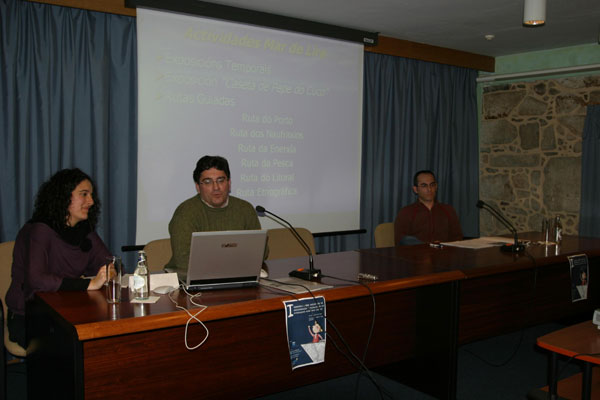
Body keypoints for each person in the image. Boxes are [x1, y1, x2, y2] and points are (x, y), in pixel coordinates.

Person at [5, 168, 110, 348]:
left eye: (91, 195)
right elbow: (37, 279)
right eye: (84, 194)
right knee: (72, 349)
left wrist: (109, 271)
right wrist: (88, 284)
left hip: (68, 311)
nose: (91, 201)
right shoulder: (40, 230)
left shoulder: (85, 231)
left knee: (104, 338)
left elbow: (107, 262)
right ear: (63, 197)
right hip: (29, 315)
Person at [165, 155, 262, 274]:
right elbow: (183, 261)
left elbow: (261, 252)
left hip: (238, 276)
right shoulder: (185, 213)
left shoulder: (245, 209)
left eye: (221, 180)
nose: (216, 187)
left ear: (229, 183)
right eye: (208, 182)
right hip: (191, 282)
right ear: (198, 187)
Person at [394, 170, 463, 245]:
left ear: (436, 186)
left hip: (444, 253)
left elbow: (457, 238)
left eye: (432, 185)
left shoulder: (448, 210)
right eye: (424, 185)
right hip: (416, 254)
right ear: (415, 189)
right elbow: (401, 241)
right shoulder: (406, 212)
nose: (429, 189)